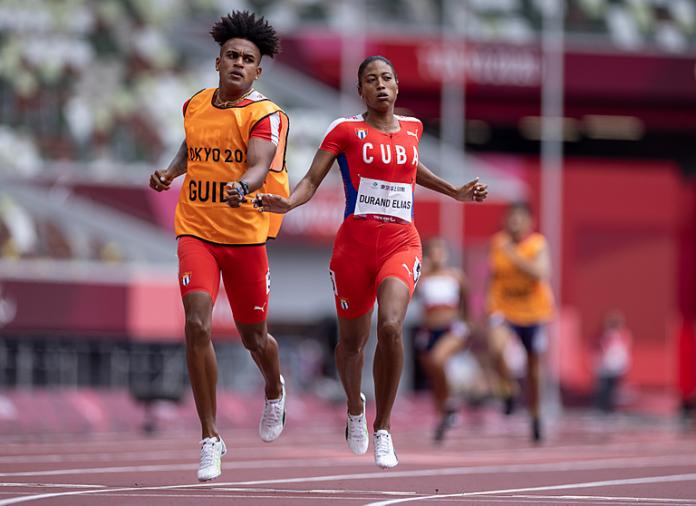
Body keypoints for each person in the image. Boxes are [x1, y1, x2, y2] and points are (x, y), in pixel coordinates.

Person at [255, 55, 488, 468]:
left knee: (392, 327)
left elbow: (413, 169)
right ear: (360, 90)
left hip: (401, 242)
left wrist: (454, 191)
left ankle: (384, 427)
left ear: (397, 86)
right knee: (351, 345)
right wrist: (287, 203)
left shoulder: (414, 128)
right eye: (370, 80)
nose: (380, 86)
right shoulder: (345, 130)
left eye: (386, 79)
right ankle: (354, 407)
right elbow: (310, 181)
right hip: (353, 249)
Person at [148, 11, 289, 482]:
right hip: (196, 231)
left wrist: (245, 186)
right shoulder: (194, 103)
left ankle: (274, 386)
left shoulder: (265, 115)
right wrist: (170, 172)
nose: (237, 64)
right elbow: (192, 145)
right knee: (196, 322)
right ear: (217, 61)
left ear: (257, 71)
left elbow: (259, 162)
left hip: (246, 237)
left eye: (247, 59)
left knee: (253, 336)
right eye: (231, 55)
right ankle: (210, 436)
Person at [486, 202, 554, 443]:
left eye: (519, 218)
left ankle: (535, 415)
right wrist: (488, 306)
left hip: (535, 312)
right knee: (495, 349)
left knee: (534, 369)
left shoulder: (537, 244)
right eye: (510, 218)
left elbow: (541, 273)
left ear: (529, 222)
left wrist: (513, 255)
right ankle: (509, 390)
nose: (514, 222)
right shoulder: (497, 243)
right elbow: (493, 276)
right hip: (504, 309)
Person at [415, 237, 471, 442]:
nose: (437, 255)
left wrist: (467, 323)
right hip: (429, 330)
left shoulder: (456, 276)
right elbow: (413, 295)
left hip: (451, 329)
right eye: (433, 251)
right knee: (434, 376)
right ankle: (442, 418)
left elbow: (466, 301)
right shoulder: (423, 278)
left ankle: (449, 402)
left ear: (446, 254)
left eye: (441, 251)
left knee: (438, 360)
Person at [594, 310, 632, 413]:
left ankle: (609, 407)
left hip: (616, 365)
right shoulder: (605, 335)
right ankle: (602, 406)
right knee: (604, 388)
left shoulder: (622, 335)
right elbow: (601, 348)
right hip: (605, 365)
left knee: (613, 388)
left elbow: (624, 349)